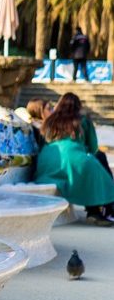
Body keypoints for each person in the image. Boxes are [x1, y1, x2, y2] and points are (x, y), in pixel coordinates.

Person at [35, 92, 114, 225]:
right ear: (78, 106)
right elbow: (93, 147)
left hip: (46, 162)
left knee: (90, 166)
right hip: (73, 157)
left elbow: (42, 142)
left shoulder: (50, 121)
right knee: (95, 166)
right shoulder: (82, 120)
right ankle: (97, 211)